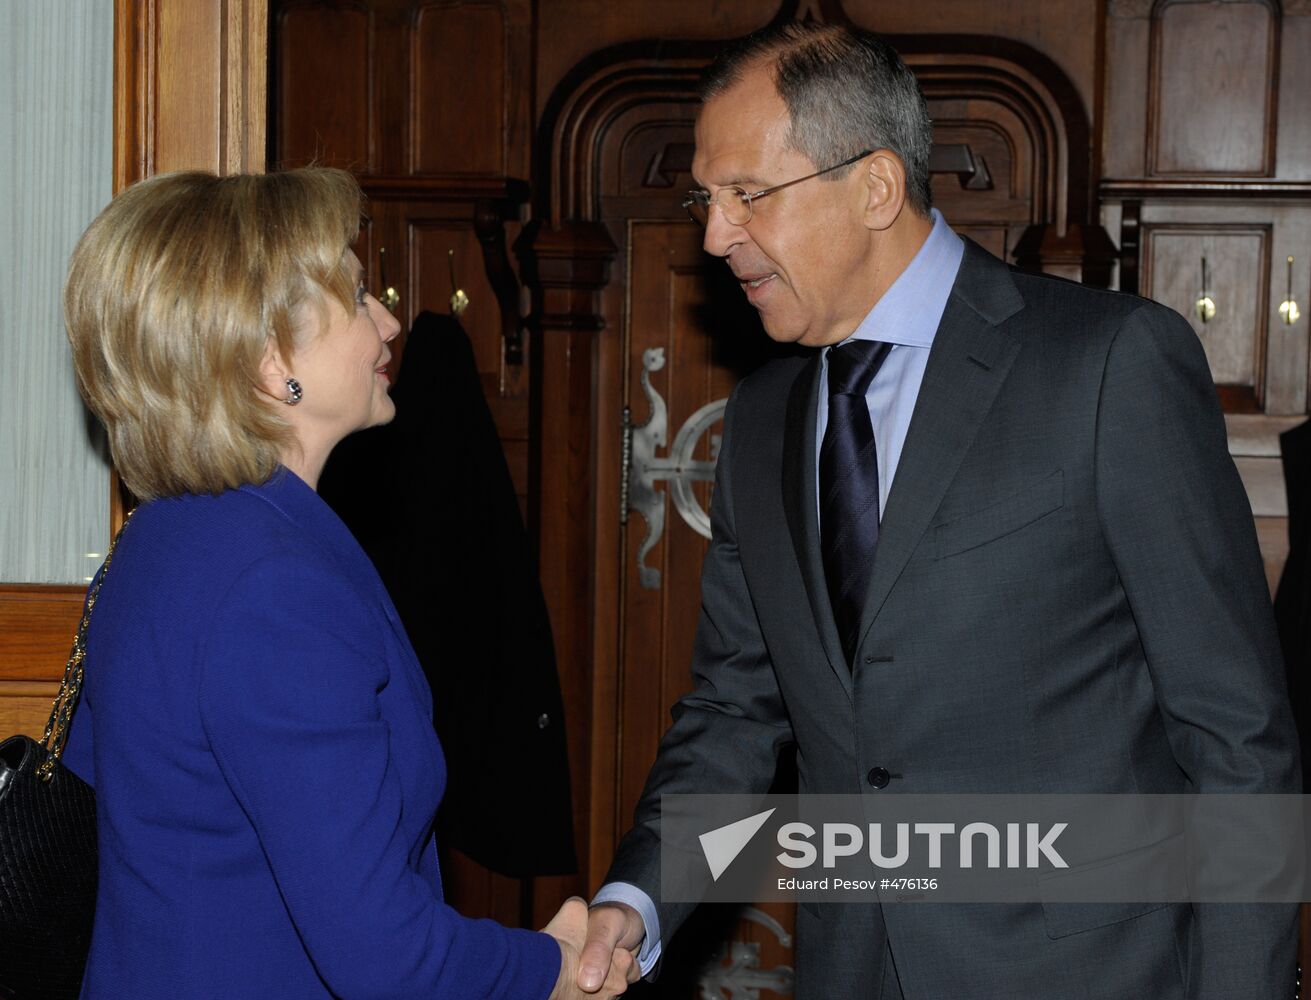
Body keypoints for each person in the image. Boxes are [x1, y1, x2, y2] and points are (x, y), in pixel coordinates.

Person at [577, 22, 1301, 1000]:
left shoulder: (1107, 367)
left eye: (748, 195)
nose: (713, 234)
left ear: (875, 187)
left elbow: (1236, 738)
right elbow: (736, 714)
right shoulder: (760, 421)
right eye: (706, 200)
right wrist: (637, 897)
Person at [59, 168, 634, 999]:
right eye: (359, 295)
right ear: (269, 366)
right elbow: (384, 958)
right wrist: (552, 969)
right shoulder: (272, 587)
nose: (389, 320)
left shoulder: (164, 534)